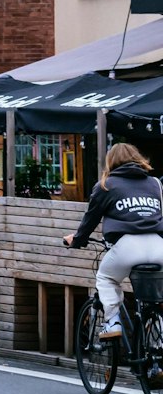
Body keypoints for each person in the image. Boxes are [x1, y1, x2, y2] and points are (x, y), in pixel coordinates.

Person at [63, 143, 163, 340]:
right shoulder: (155, 183)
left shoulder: (106, 184)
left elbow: (90, 219)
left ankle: (112, 322)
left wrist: (78, 240)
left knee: (106, 278)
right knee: (156, 296)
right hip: (159, 245)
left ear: (110, 161)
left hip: (127, 247)